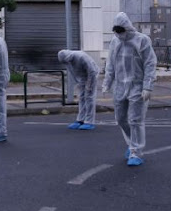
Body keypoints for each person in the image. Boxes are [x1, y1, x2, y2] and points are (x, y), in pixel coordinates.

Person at [101, 12, 157, 167]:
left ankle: (136, 152)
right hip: (120, 86)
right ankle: (132, 143)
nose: (119, 35)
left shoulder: (142, 41)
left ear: (127, 28)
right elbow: (110, 64)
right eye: (117, 32)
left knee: (135, 120)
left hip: (137, 86)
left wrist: (148, 86)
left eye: (121, 31)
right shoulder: (115, 42)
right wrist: (107, 82)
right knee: (120, 118)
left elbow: (150, 64)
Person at [58, 50, 100, 130]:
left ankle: (89, 121)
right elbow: (73, 72)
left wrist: (89, 85)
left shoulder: (81, 56)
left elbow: (92, 71)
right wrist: (78, 83)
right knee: (81, 98)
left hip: (92, 75)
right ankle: (80, 119)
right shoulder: (67, 61)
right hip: (82, 77)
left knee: (89, 98)